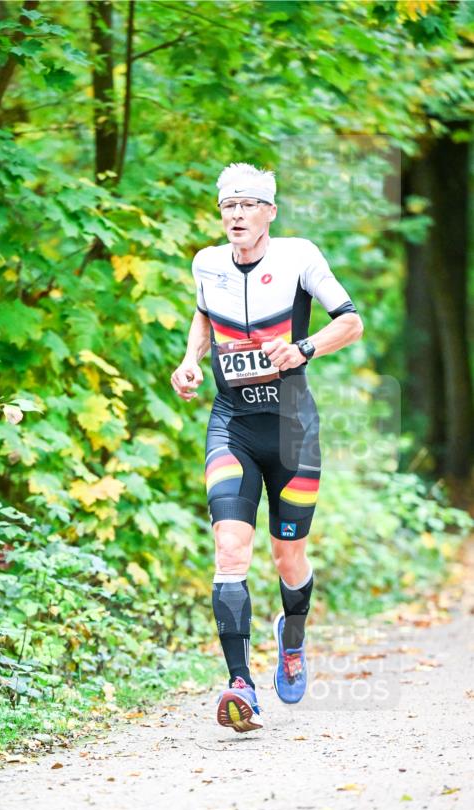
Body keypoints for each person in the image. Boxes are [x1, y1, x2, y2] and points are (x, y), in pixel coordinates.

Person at [171, 163, 363, 732]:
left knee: (288, 558)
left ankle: (292, 637)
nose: (236, 215)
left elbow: (350, 322)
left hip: (292, 429)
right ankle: (241, 687)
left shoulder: (299, 257)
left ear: (269, 213)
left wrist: (303, 348)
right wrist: (190, 361)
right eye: (228, 206)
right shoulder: (207, 264)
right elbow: (203, 318)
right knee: (230, 551)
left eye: (248, 205)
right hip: (232, 424)